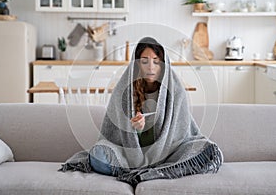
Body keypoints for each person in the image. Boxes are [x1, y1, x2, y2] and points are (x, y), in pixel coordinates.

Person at [61, 37, 223, 186]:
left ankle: (152, 170)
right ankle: (142, 171)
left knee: (206, 149)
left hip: (168, 151)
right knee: (98, 155)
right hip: (128, 154)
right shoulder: (123, 90)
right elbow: (114, 134)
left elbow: (179, 132)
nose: (151, 67)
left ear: (163, 64)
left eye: (156, 61)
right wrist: (134, 130)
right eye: (145, 61)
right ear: (137, 63)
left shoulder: (176, 90)